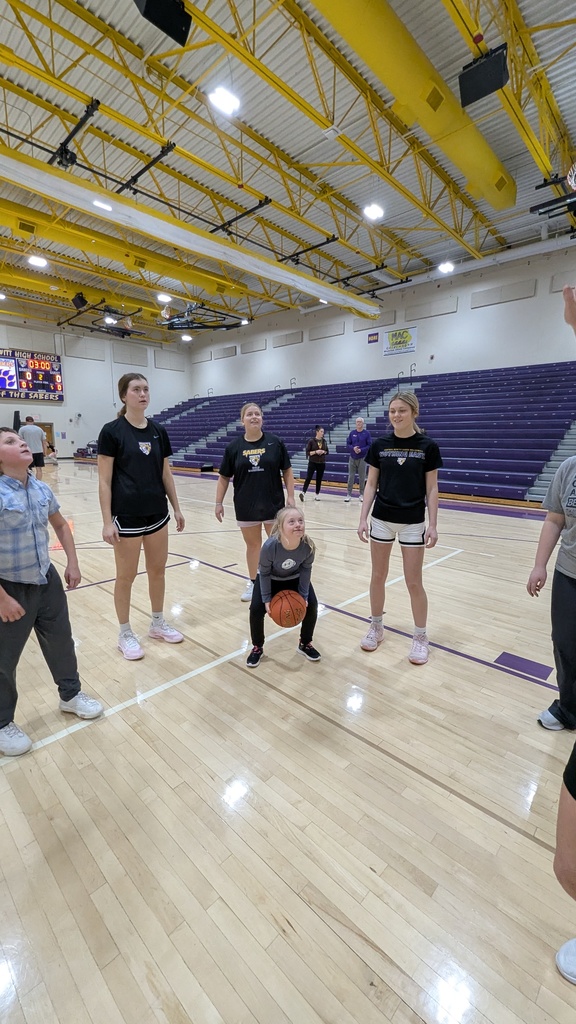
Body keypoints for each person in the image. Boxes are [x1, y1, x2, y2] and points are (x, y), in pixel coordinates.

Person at [0, 427, 103, 757]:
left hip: (47, 579)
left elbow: (60, 525)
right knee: (4, 659)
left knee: (61, 641)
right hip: (9, 586)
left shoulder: (41, 488)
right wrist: (2, 598)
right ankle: (2, 723)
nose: (21, 443)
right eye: (10, 441)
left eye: (20, 439)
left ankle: (70, 695)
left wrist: (72, 562)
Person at [97, 373, 185, 661]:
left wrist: (176, 507)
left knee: (158, 570)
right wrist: (107, 521)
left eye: (146, 389)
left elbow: (166, 473)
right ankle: (124, 633)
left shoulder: (159, 431)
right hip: (126, 516)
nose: (143, 394)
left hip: (157, 513)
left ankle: (157, 623)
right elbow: (104, 480)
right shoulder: (112, 431)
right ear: (124, 396)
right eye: (136, 389)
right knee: (126, 576)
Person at [357, 391, 442, 665]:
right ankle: (376, 627)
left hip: (413, 522)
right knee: (377, 576)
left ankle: (420, 637)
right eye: (392, 410)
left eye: (402, 410)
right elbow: (371, 484)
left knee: (414, 582)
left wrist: (433, 524)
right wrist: (362, 518)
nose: (396, 415)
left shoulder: (427, 446)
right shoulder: (379, 445)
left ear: (414, 412)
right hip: (382, 518)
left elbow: (432, 488)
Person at [216, 401, 295, 602]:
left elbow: (287, 470)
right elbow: (224, 477)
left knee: (277, 545)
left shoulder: (275, 443)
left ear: (262, 418)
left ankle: (279, 582)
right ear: (242, 420)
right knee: (253, 546)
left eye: (257, 414)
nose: (254, 417)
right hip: (246, 505)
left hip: (273, 504)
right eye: (249, 414)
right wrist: (218, 503)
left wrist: (291, 496)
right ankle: (254, 583)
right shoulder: (234, 447)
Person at [526, 456, 576, 729]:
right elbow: (555, 520)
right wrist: (539, 565)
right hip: (569, 572)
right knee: (565, 643)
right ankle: (568, 708)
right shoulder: (569, 468)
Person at [246, 506, 321, 667]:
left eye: (300, 521)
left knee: (312, 605)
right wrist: (267, 599)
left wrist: (304, 595)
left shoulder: (308, 546)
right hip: (270, 579)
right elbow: (264, 573)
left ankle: (305, 643)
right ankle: (257, 647)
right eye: (291, 522)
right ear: (280, 527)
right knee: (256, 609)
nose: (298, 524)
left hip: (294, 578)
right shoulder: (269, 547)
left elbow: (306, 570)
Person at [345, 417, 372, 501]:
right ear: (355, 423)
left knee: (362, 477)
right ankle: (349, 494)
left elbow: (369, 445)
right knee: (351, 476)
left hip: (362, 458)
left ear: (363, 423)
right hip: (352, 457)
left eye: (360, 422)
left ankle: (361, 494)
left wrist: (361, 450)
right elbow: (348, 444)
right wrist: (353, 448)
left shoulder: (366, 433)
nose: (359, 423)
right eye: (357, 422)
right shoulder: (352, 433)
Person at [300, 425, 328, 502]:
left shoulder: (324, 441)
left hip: (321, 463)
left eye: (323, 432)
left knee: (319, 479)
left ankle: (317, 494)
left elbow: (327, 451)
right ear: (317, 432)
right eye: (321, 431)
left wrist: (323, 452)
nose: (322, 433)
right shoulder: (311, 441)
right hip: (312, 462)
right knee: (308, 477)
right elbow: (308, 452)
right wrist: (316, 452)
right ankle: (303, 492)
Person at [19, 415, 47, 480]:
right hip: (39, 451)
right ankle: (38, 482)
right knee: (39, 469)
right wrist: (45, 452)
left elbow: (19, 440)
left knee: (27, 468)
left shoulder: (22, 429)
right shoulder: (39, 429)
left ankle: (29, 482)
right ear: (33, 421)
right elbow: (44, 442)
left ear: (26, 421)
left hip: (28, 451)